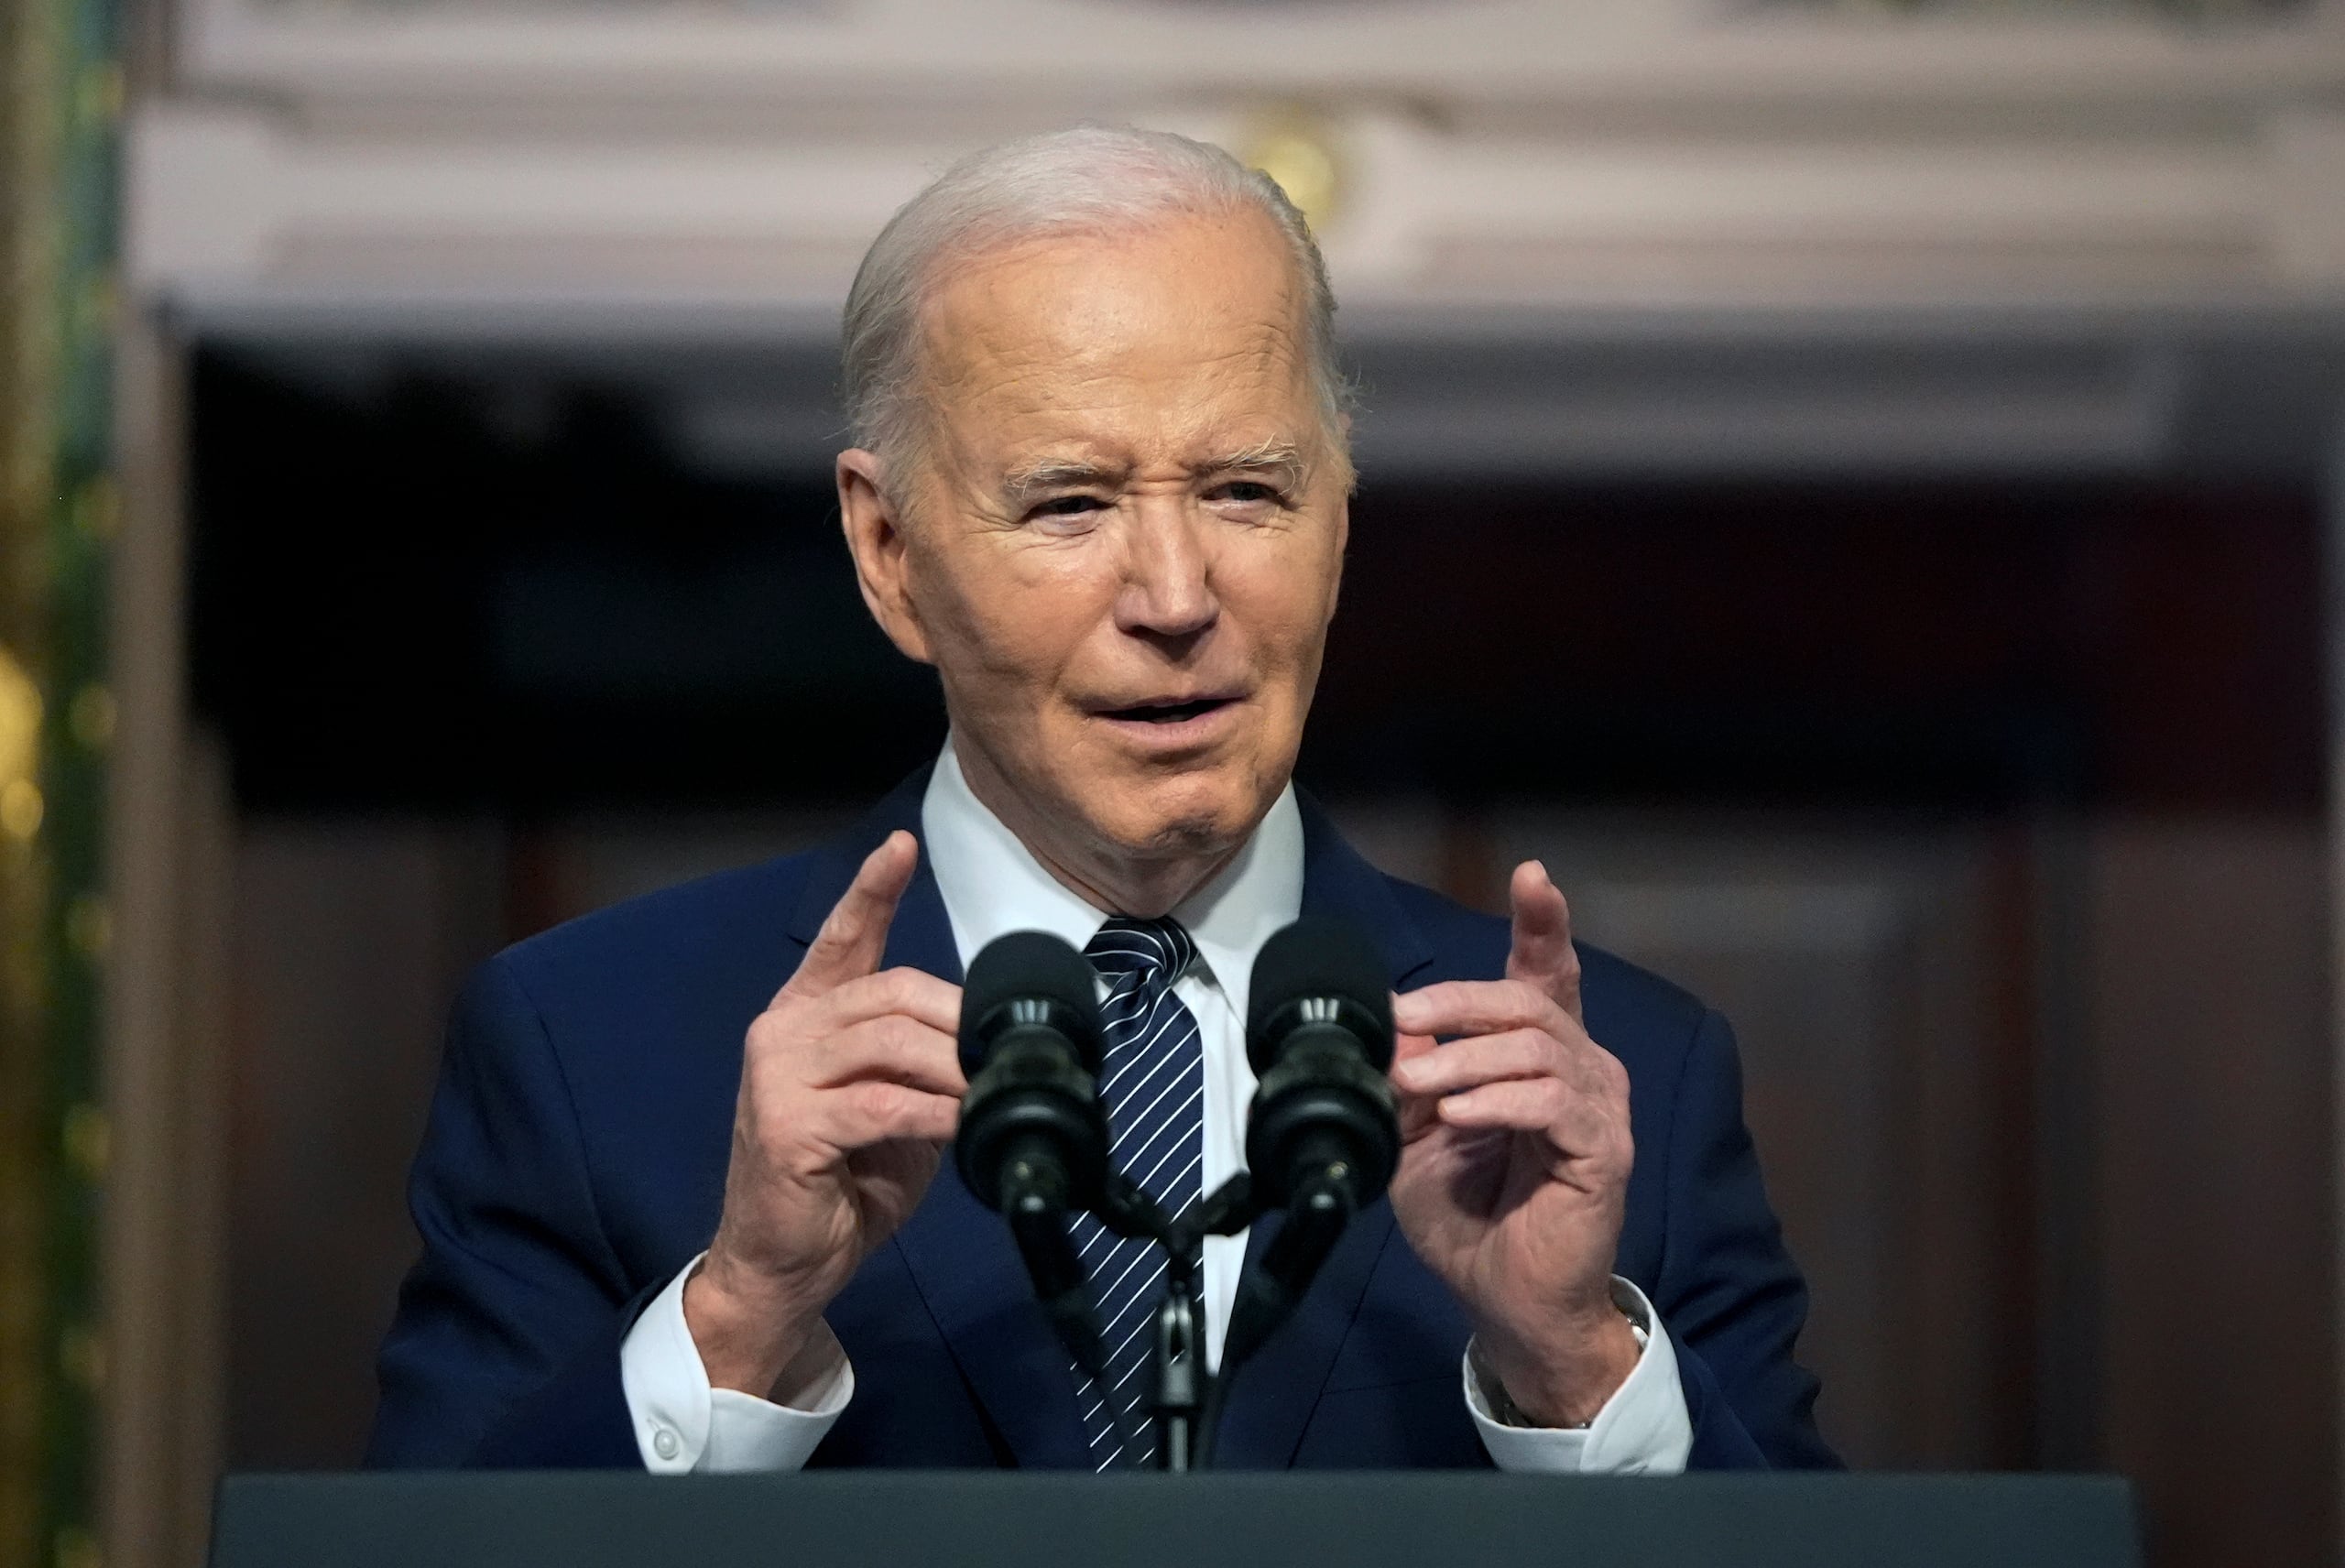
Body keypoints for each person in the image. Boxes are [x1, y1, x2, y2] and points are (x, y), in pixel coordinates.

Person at [366, 125, 1835, 1474]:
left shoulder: (1609, 1087)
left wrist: (1576, 1367)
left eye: (1249, 492)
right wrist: (742, 1315)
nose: (1179, 597)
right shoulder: (590, 1051)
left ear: (1340, 516)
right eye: (1070, 504)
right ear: (888, 554)